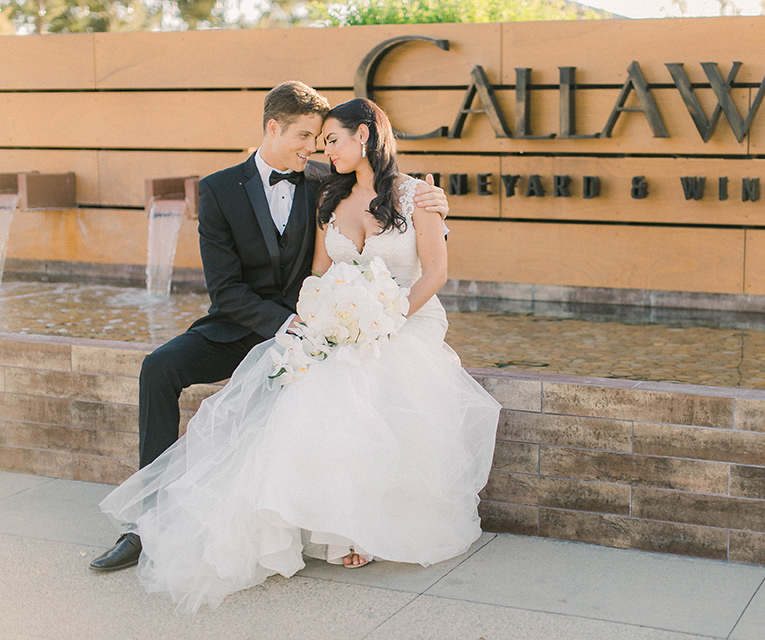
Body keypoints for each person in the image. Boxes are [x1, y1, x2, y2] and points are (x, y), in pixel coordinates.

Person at [97, 97, 501, 612]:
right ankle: (146, 521)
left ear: (363, 135)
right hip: (257, 321)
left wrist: (375, 308)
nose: (316, 148)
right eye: (309, 138)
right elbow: (231, 288)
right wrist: (309, 323)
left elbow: (426, 258)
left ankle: (346, 523)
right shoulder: (225, 189)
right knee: (159, 367)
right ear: (274, 128)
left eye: (326, 138)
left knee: (339, 383)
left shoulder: (329, 182)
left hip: (356, 320)